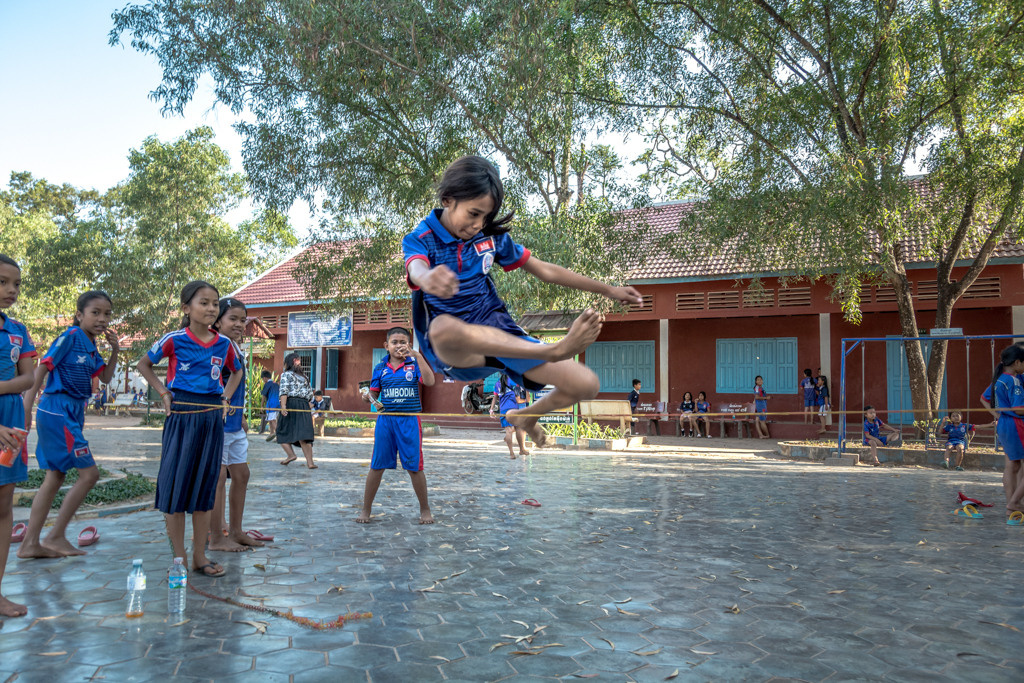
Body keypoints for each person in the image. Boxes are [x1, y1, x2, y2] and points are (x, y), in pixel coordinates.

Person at [402, 155, 642, 447]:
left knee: (586, 384)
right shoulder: (421, 237)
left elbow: (545, 270)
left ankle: (526, 417)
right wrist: (427, 279)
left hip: (501, 335)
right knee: (441, 327)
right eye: (473, 214)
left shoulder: (490, 239)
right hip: (456, 350)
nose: (479, 225)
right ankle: (555, 350)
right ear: (448, 199)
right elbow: (416, 267)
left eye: (485, 218)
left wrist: (609, 290)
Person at [136, 280, 243, 578]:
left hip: (210, 417)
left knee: (204, 486)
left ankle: (199, 555)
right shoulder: (174, 339)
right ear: (187, 308)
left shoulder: (224, 344)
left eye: (214, 303)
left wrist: (226, 397)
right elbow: (144, 364)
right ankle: (179, 559)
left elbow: (236, 371)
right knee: (176, 485)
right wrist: (163, 392)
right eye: (204, 302)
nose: (211, 308)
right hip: (181, 414)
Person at [19, 291, 118, 559]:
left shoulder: (90, 345)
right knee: (89, 475)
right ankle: (55, 535)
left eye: (107, 314)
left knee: (55, 476)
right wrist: (28, 407)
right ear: (79, 315)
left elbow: (107, 377)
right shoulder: (71, 336)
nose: (102, 319)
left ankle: (30, 543)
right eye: (95, 312)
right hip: (58, 410)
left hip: (71, 412)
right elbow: (43, 367)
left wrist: (116, 350)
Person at [357, 327, 436, 524]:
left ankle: (425, 510)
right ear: (386, 346)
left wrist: (417, 356)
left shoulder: (414, 363)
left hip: (409, 420)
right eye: (394, 342)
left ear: (409, 345)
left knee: (415, 467)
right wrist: (368, 397)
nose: (399, 346)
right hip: (385, 421)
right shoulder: (379, 368)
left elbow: (430, 381)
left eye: (403, 342)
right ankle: (366, 510)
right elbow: (374, 395)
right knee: (377, 465)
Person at [209, 297, 263, 552]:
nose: (240, 324)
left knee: (241, 474)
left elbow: (236, 382)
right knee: (217, 478)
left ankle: (236, 530)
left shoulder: (234, 346)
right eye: (233, 319)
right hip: (216, 423)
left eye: (243, 320)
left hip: (233, 424)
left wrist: (239, 414)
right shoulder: (216, 345)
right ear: (217, 321)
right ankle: (216, 536)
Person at [0, 254, 37, 618]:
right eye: (2, 282)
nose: (11, 290)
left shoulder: (17, 329)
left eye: (16, 284)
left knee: (4, 505)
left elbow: (29, 377)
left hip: (10, 422)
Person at [981, 344, 1024, 517]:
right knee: (1015, 466)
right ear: (1017, 362)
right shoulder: (1014, 380)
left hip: (1005, 424)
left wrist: (998, 415)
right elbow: (1018, 408)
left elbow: (984, 398)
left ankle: (1011, 507)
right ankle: (1014, 503)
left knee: (1012, 465)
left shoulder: (999, 379)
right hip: (1016, 424)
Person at [277, 353, 317, 468]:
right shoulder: (305, 377)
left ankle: (291, 455)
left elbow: (284, 391)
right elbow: (310, 394)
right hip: (304, 405)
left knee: (281, 430)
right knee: (304, 434)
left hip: (291, 403)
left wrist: (283, 406)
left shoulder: (286, 375)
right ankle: (310, 463)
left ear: (288, 363)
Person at [489, 372, 529, 458]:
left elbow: (495, 397)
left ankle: (511, 453)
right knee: (518, 428)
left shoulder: (497, 384)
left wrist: (491, 409)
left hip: (503, 410)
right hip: (514, 408)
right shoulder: (513, 381)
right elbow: (521, 389)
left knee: (509, 431)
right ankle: (521, 449)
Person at [259, 370, 280, 438]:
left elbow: (264, 396)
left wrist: (261, 406)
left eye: (263, 378)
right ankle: (271, 433)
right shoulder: (276, 384)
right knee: (270, 419)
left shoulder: (267, 384)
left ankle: (278, 435)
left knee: (272, 420)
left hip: (271, 404)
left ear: (265, 378)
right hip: (278, 404)